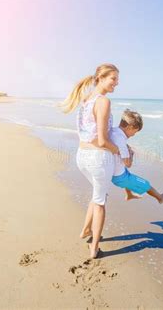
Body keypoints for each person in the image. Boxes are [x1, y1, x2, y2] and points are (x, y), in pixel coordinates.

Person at [61, 63, 119, 259]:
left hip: (82, 156)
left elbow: (88, 133)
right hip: (97, 158)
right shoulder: (103, 101)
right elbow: (103, 140)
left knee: (97, 194)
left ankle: (85, 230)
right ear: (101, 78)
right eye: (113, 79)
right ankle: (94, 247)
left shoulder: (86, 99)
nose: (116, 84)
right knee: (101, 202)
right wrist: (119, 150)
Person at [110, 109, 163, 204]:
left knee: (127, 174)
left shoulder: (114, 131)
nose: (134, 135)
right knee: (145, 184)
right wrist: (131, 155)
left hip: (113, 170)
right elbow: (128, 164)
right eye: (135, 132)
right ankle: (160, 198)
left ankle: (129, 194)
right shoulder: (121, 140)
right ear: (129, 127)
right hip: (119, 177)